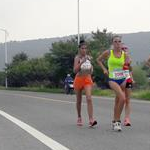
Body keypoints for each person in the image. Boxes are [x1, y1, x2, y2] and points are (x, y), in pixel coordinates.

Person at [97, 35, 130, 131]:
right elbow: (98, 60)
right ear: (112, 43)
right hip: (112, 79)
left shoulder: (125, 54)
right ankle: (117, 121)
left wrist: (128, 64)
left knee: (118, 100)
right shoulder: (108, 52)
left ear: (121, 43)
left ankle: (114, 120)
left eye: (119, 41)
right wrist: (104, 69)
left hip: (123, 78)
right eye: (115, 41)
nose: (117, 43)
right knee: (123, 98)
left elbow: (127, 68)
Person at [73, 40, 97, 127]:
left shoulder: (89, 58)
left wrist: (91, 68)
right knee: (79, 100)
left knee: (89, 98)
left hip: (87, 78)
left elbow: (91, 71)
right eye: (82, 48)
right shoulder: (77, 58)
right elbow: (75, 70)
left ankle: (91, 119)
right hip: (79, 79)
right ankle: (79, 117)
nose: (84, 50)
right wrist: (82, 62)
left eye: (85, 48)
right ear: (79, 49)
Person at [121, 45, 133, 126]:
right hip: (120, 80)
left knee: (128, 100)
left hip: (127, 79)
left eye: (126, 48)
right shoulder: (118, 58)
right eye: (123, 48)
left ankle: (127, 119)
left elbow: (130, 70)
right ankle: (117, 117)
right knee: (121, 99)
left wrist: (132, 78)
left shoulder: (129, 59)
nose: (124, 49)